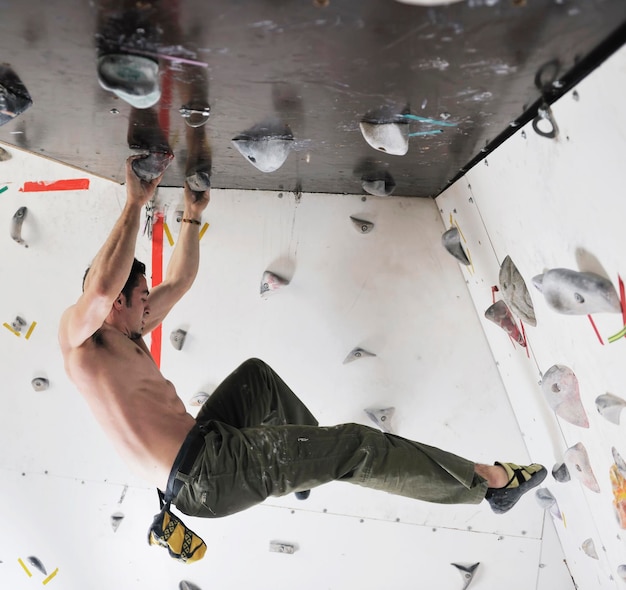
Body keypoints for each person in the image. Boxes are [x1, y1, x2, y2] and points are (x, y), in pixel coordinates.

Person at [59, 157, 546, 521]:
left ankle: (310, 464)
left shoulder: (130, 330)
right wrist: (135, 201)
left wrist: (191, 213)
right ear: (117, 303)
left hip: (204, 446)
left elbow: (182, 280)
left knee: (257, 379)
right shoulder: (81, 343)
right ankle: (485, 484)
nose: (150, 303)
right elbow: (100, 288)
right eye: (142, 295)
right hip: (204, 476)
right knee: (356, 444)